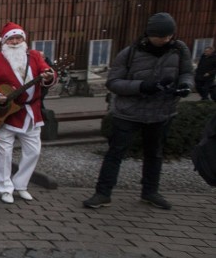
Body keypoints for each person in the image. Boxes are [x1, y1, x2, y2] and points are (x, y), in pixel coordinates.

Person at [83, 12, 193, 210]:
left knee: (155, 153)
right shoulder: (130, 52)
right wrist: (142, 86)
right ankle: (103, 193)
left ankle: (150, 192)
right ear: (149, 34)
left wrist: (185, 85)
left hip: (161, 111)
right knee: (115, 153)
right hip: (129, 112)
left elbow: (186, 72)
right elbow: (114, 82)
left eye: (168, 36)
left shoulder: (179, 49)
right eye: (159, 37)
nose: (164, 40)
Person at [0, 22, 56, 204]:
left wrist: (50, 75)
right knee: (4, 154)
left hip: (30, 112)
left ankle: (21, 184)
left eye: (19, 38)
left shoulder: (34, 56)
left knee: (34, 151)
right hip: (4, 115)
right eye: (11, 38)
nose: (16, 42)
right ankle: (5, 188)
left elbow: (46, 72)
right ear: (4, 41)